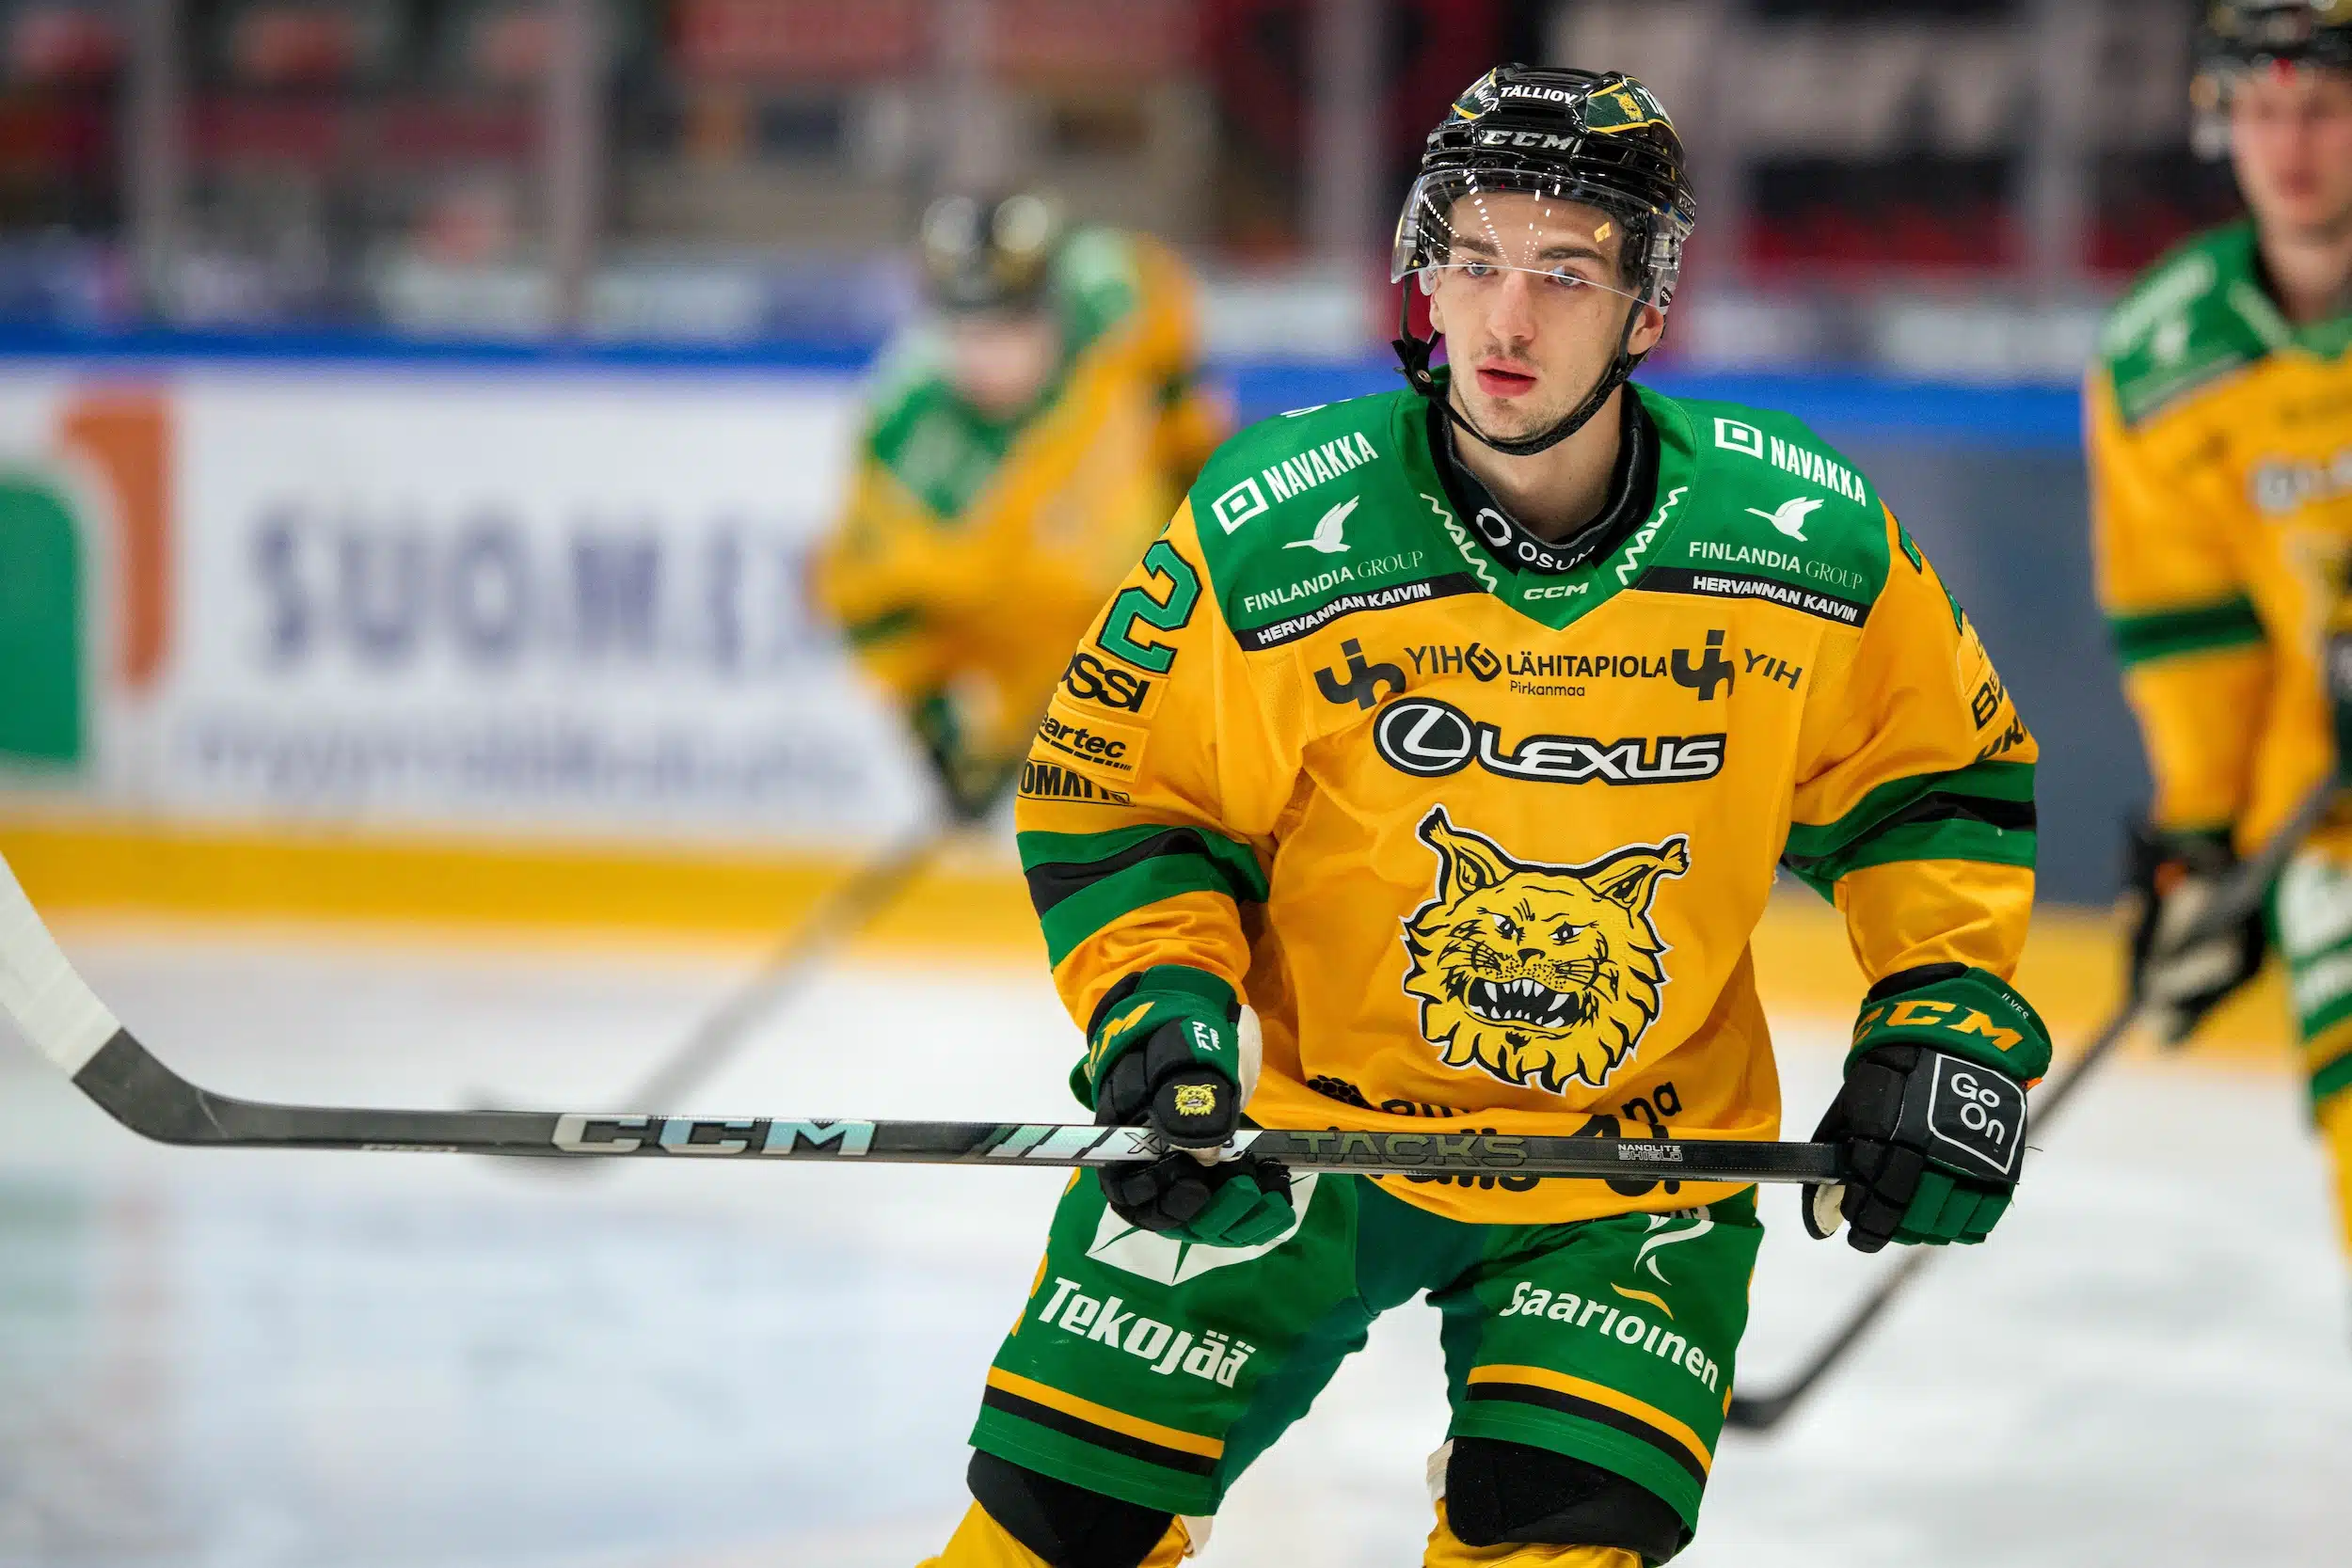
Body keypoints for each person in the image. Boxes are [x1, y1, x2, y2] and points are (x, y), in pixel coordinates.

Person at [924, 65, 2050, 1568]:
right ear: (1424, 271)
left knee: (1554, 1539)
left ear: (1648, 306)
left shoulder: (1804, 539)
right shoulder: (1273, 523)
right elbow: (1128, 796)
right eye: (1473, 259)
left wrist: (1944, 1017)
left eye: (1566, 272)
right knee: (1047, 1535)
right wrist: (1160, 1019)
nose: (1504, 319)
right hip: (1290, 1129)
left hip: (1632, 1164)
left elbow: (1934, 786)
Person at [2091, 0, 2352, 1267]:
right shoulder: (2163, 354)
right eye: (2259, 108)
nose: (2287, 144)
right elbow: (2190, 630)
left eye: (2324, 107)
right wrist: (2200, 838)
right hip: (2332, 806)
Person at [818, 191, 1226, 821]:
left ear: (1052, 301)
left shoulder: (1115, 293)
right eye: (966, 330)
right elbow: (869, 602)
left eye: (1013, 325)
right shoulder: (914, 451)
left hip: (1173, 604)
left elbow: (1171, 376)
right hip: (1052, 671)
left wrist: (1201, 478)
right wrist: (941, 736)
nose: (989, 357)